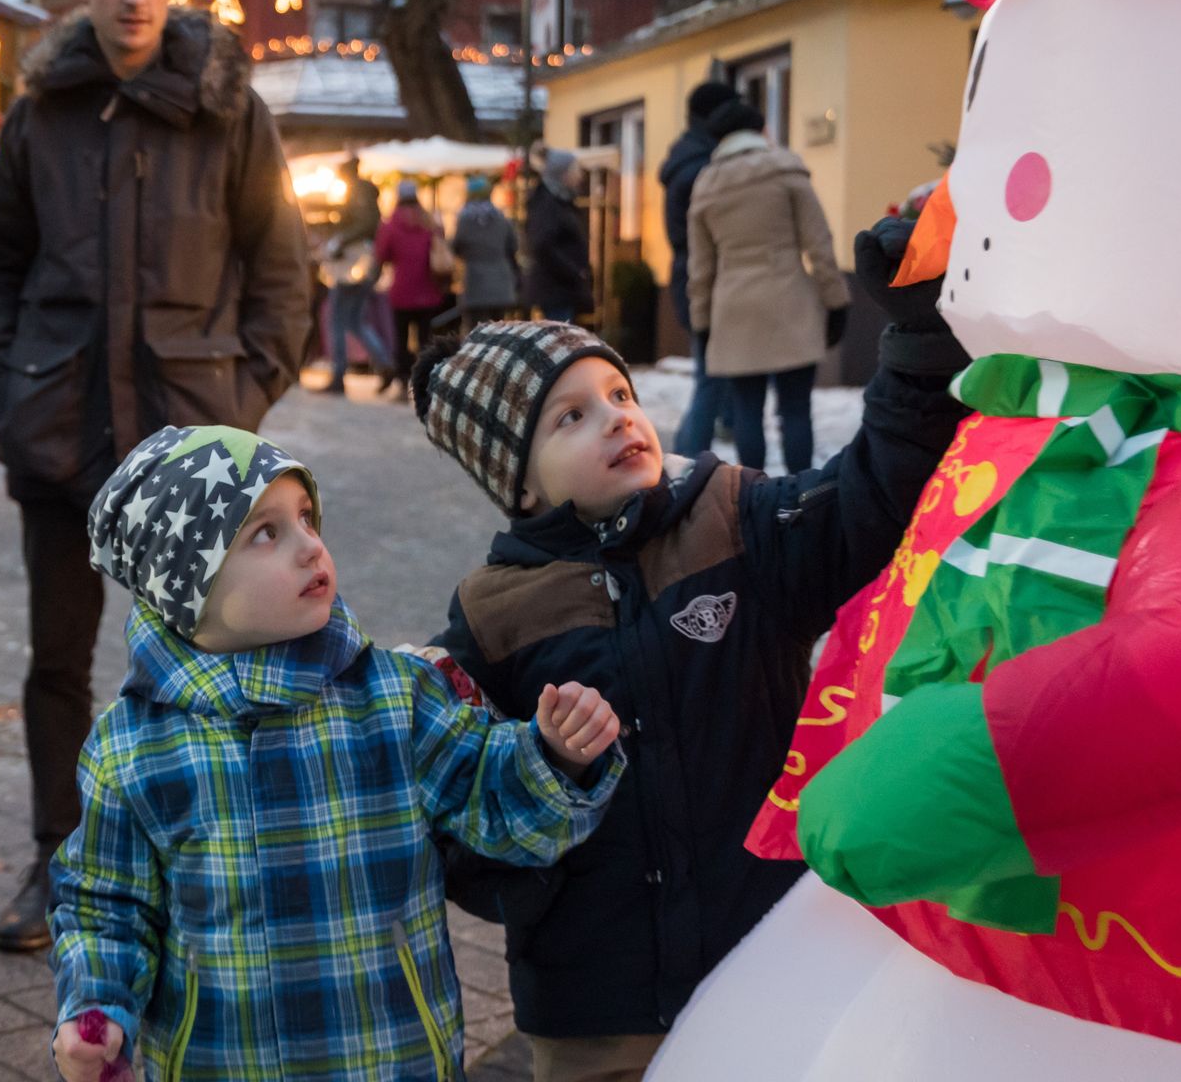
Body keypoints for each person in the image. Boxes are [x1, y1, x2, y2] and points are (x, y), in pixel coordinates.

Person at [409, 284, 970, 1081]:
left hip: (765, 968)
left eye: (618, 394)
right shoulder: (491, 618)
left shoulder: (735, 519)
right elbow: (465, 821)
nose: (615, 418)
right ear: (520, 484)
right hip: (596, 1015)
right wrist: (546, 786)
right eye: (570, 417)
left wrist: (917, 337)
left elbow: (871, 496)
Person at [49, 424, 626, 1081]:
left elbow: (493, 803)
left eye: (304, 519)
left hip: (388, 1058)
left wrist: (554, 757)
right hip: (220, 1062)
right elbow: (107, 905)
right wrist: (95, 1008)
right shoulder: (132, 747)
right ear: (188, 584)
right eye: (265, 533)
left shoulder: (392, 698)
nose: (308, 547)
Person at [0, 0, 311, 953]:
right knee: (57, 661)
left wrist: (237, 402)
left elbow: (282, 271)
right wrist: (3, 383)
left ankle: (216, 865)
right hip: (62, 426)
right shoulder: (39, 115)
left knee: (218, 659)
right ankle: (61, 862)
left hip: (191, 440)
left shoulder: (227, 109)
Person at [687, 100, 850, 473]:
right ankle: (802, 496)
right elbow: (818, 242)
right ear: (760, 131)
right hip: (789, 300)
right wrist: (836, 301)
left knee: (747, 411)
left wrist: (701, 321)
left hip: (734, 308)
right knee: (795, 411)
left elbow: (701, 267)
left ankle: (754, 493)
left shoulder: (707, 184)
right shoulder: (785, 169)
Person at [660, 81, 737, 456]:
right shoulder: (700, 168)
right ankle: (687, 460)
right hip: (704, 279)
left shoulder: (689, 157)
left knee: (716, 376)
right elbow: (704, 236)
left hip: (693, 276)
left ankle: (694, 451)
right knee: (712, 378)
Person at [317, 156, 390, 394]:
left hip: (353, 266)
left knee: (338, 320)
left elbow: (363, 224)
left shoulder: (359, 193)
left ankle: (339, 374)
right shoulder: (366, 193)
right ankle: (385, 362)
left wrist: (340, 241)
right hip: (363, 265)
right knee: (356, 321)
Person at [372, 178, 442, 400]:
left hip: (401, 291)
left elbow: (382, 254)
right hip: (428, 290)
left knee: (401, 340)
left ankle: (403, 384)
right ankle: (425, 385)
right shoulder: (429, 223)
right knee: (425, 340)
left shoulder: (390, 224)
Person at [524, 149, 594, 324]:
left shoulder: (560, 201)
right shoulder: (549, 203)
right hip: (556, 289)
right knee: (562, 341)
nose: (580, 176)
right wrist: (574, 271)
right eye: (575, 170)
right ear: (564, 174)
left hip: (561, 288)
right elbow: (542, 245)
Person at [450, 173, 519, 331]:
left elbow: (456, 246)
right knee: (498, 331)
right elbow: (513, 246)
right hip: (501, 281)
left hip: (475, 281)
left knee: (476, 332)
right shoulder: (501, 217)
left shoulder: (465, 218)